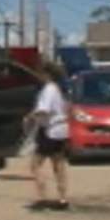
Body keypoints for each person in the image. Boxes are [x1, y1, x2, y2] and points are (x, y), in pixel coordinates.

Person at [25, 60, 70, 210]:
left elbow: (43, 110)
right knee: (59, 165)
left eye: (40, 73)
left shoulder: (48, 89)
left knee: (35, 165)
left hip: (49, 131)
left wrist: (29, 117)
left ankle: (42, 198)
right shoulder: (57, 89)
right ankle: (63, 198)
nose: (38, 76)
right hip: (61, 130)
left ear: (46, 74)